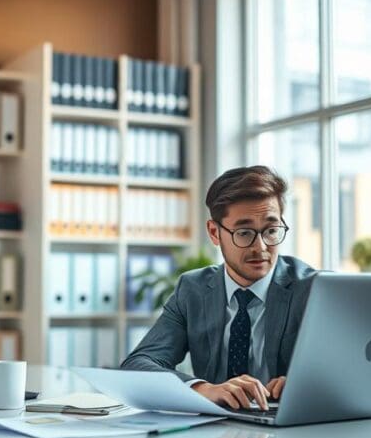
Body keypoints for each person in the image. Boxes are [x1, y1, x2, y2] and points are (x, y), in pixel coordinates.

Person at [121, 166, 316, 410]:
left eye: (271, 230)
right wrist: (203, 388)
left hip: (292, 429)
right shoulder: (192, 289)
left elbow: (348, 366)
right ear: (215, 232)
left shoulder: (313, 289)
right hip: (218, 430)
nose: (261, 247)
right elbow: (139, 363)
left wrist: (309, 385)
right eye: (244, 233)